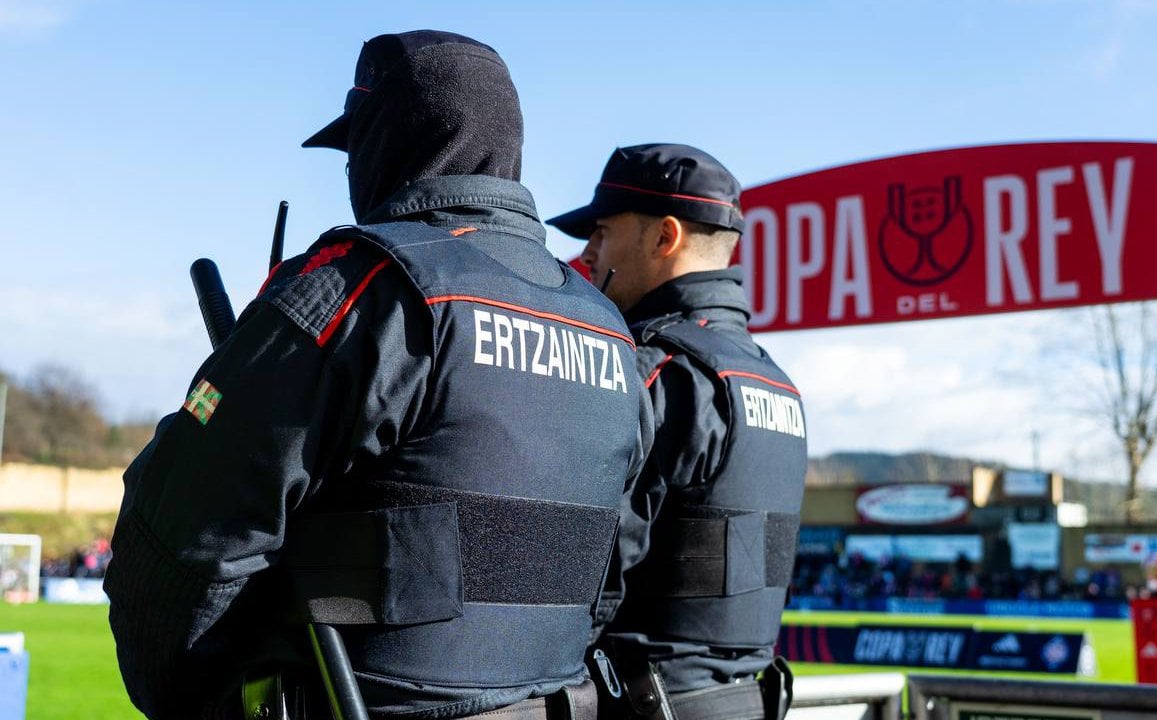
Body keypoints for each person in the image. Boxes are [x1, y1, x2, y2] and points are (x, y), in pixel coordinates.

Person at [105, 30, 650, 720]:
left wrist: (193, 697)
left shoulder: (364, 286)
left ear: (385, 141)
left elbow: (188, 528)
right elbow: (613, 565)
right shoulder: (608, 328)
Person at [548, 144, 808, 720]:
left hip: (646, 700)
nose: (587, 253)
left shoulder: (657, 370)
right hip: (747, 700)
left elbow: (589, 576)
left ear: (665, 237)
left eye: (601, 231)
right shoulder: (774, 380)